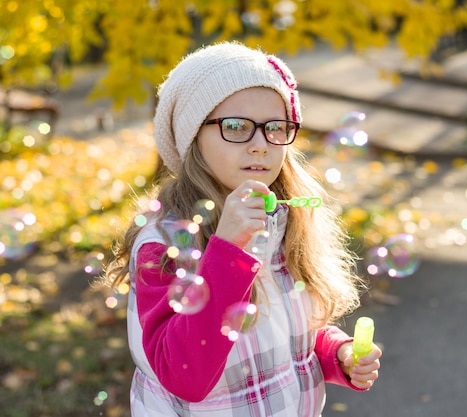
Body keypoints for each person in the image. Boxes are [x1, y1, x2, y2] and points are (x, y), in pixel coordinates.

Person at [105, 41, 382, 416]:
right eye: (235, 127)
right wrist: (229, 250)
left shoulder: (284, 221)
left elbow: (289, 331)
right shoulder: (163, 245)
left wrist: (337, 353)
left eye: (275, 127)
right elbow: (185, 377)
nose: (260, 146)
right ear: (192, 138)